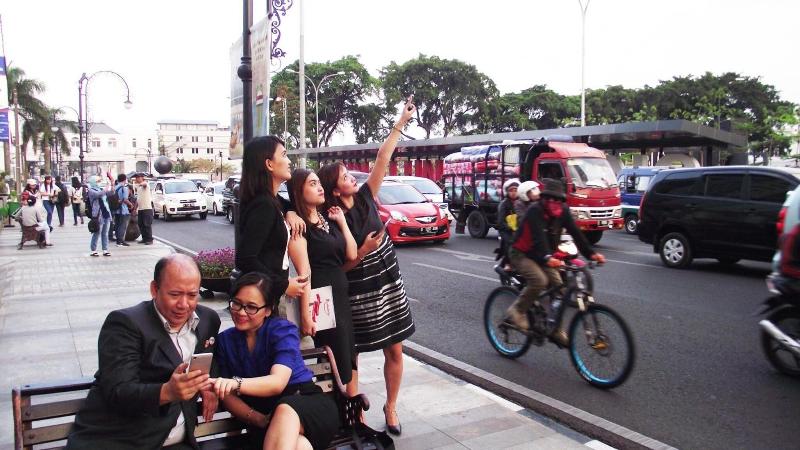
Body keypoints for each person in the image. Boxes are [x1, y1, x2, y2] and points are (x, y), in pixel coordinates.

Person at [317, 96, 416, 435]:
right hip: (358, 292)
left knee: (395, 348)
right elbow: (338, 269)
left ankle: (391, 407)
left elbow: (383, 159)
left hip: (388, 284)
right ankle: (356, 414)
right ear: (334, 188)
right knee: (353, 354)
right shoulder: (332, 219)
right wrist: (363, 250)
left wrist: (400, 123)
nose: (352, 177)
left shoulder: (365, 196)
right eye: (345, 176)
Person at [66, 254, 221, 450]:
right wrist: (167, 392)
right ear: (154, 289)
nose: (184, 304)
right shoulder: (124, 324)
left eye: (192, 295)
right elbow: (118, 391)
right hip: (121, 440)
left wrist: (208, 385)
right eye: (174, 294)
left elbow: (210, 356)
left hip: (179, 441)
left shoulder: (208, 320)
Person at [211, 272, 340, 450]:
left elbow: (277, 382)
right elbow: (227, 396)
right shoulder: (225, 341)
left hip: (305, 404)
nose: (241, 312)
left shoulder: (282, 330)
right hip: (265, 418)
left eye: (251, 307)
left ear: (268, 310)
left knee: (285, 410)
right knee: (299, 446)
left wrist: (236, 383)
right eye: (236, 303)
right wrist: (258, 419)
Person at [506, 179, 605, 346]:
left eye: (558, 200)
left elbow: (576, 233)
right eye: (551, 199)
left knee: (560, 291)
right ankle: (517, 310)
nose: (554, 202)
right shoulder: (535, 211)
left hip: (545, 255)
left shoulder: (563, 211)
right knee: (540, 281)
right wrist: (548, 258)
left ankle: (556, 329)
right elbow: (538, 239)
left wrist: (592, 254)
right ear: (544, 199)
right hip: (521, 253)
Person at [287, 168, 358, 386]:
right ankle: (334, 404)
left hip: (340, 295)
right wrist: (306, 315)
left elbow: (352, 254)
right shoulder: (299, 227)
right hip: (321, 299)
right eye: (312, 184)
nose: (319, 188)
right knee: (332, 361)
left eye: (319, 183)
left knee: (347, 356)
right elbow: (304, 273)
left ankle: (345, 404)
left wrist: (342, 222)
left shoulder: (327, 217)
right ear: (298, 191)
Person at [235, 135, 308, 303]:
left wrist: (290, 211)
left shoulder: (271, 200)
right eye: (284, 155)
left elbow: (283, 203)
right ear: (269, 164)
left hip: (267, 296)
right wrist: (282, 285)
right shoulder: (264, 205)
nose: (289, 161)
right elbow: (245, 259)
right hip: (260, 300)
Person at [496, 179, 519, 270]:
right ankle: (507, 263)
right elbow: (500, 222)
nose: (513, 193)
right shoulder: (504, 204)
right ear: (507, 192)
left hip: (518, 229)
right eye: (511, 190)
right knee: (510, 242)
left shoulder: (521, 203)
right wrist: (510, 228)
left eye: (515, 190)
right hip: (506, 230)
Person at [87, 176, 112, 257]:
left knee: (105, 233)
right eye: (97, 181)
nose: (99, 182)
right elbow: (98, 195)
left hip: (106, 213)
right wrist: (106, 188)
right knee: (97, 232)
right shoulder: (91, 190)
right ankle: (93, 250)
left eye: (99, 181)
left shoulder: (101, 189)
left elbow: (111, 193)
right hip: (98, 215)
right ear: (93, 182)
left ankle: (105, 250)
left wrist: (111, 183)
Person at [133, 172, 154, 244]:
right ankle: (144, 238)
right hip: (141, 209)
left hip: (147, 208)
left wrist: (141, 183)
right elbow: (138, 199)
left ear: (142, 178)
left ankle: (149, 239)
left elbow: (144, 184)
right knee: (141, 224)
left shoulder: (146, 185)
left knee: (147, 224)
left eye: (138, 177)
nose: (137, 179)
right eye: (136, 178)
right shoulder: (139, 188)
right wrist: (135, 209)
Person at [113, 173, 133, 247]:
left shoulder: (115, 187)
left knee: (117, 225)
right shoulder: (124, 188)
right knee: (122, 226)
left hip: (115, 209)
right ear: (125, 179)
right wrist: (130, 204)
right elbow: (125, 199)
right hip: (123, 210)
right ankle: (120, 241)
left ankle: (118, 240)